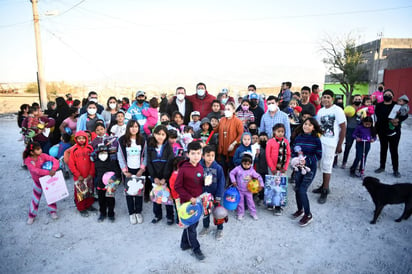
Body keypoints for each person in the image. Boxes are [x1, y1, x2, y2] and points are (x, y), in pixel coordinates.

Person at [174, 141, 206, 261]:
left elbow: (199, 182)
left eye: (198, 153)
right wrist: (189, 197)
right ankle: (196, 249)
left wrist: (205, 182)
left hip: (197, 201)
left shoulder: (200, 167)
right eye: (193, 153)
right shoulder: (183, 169)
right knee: (192, 227)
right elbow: (177, 186)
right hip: (187, 203)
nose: (196, 156)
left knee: (192, 224)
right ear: (188, 154)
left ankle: (184, 244)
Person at [313, 90, 346, 204]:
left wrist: (340, 144)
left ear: (332, 99)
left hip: (331, 143)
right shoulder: (321, 111)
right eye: (324, 97)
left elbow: (343, 127)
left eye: (328, 97)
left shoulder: (338, 110)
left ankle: (325, 190)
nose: (326, 99)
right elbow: (318, 127)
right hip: (321, 142)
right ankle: (323, 186)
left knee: (327, 166)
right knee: (322, 165)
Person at [290, 118, 322, 227]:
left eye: (309, 125)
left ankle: (308, 215)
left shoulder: (316, 139)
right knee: (297, 189)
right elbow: (294, 150)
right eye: (305, 124)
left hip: (309, 170)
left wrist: (306, 160)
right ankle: (300, 210)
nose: (306, 126)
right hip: (299, 169)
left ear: (314, 127)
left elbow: (318, 155)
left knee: (303, 190)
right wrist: (296, 160)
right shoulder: (298, 138)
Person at [117, 120, 146, 224]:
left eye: (136, 126)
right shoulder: (122, 140)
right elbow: (120, 156)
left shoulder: (142, 140)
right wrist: (124, 171)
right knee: (129, 192)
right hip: (128, 170)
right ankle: (131, 213)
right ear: (128, 128)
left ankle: (138, 211)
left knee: (139, 192)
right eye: (132, 126)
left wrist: (142, 169)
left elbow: (145, 155)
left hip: (139, 170)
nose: (134, 128)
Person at [23, 141, 60, 225]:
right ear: (32, 152)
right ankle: (31, 215)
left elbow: (54, 160)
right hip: (38, 182)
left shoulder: (42, 156)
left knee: (51, 196)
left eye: (40, 148)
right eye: (38, 149)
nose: (41, 150)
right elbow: (35, 171)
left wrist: (53, 169)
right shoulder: (28, 160)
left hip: (47, 180)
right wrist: (48, 172)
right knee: (35, 199)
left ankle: (53, 211)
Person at [374, 89, 408, 178]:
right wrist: (375, 131)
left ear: (392, 96)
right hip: (382, 131)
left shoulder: (397, 105)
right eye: (386, 94)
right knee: (383, 149)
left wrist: (398, 120)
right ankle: (382, 167)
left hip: (394, 131)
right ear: (383, 95)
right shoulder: (378, 105)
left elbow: (405, 115)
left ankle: (396, 170)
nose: (387, 95)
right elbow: (378, 118)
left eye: (389, 94)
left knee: (394, 150)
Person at [146, 125, 174, 225]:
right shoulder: (150, 146)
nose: (160, 136)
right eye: (158, 134)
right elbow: (149, 162)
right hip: (155, 177)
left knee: (167, 197)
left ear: (166, 136)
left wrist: (165, 178)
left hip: (165, 177)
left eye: (163, 134)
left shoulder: (168, 147)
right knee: (156, 197)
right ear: (154, 134)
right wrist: (154, 177)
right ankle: (157, 215)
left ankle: (170, 216)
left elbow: (170, 163)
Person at [199, 145, 226, 240]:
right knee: (206, 212)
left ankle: (220, 229)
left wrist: (219, 196)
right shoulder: (199, 166)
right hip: (204, 195)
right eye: (208, 155)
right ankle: (206, 227)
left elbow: (221, 182)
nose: (210, 158)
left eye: (212, 155)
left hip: (216, 194)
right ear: (203, 156)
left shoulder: (218, 168)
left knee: (218, 212)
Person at [68, 131, 96, 216]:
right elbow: (71, 164)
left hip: (89, 175)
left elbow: (93, 162)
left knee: (90, 190)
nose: (81, 140)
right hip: (79, 176)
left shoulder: (90, 148)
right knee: (80, 192)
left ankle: (89, 205)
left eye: (83, 138)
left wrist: (91, 173)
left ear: (86, 139)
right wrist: (77, 174)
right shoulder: (73, 150)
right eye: (79, 138)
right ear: (76, 139)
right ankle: (81, 208)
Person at [265, 123, 291, 215]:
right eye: (278, 131)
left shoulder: (286, 142)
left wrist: (285, 167)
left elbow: (288, 155)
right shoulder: (270, 142)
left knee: (280, 186)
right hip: (272, 168)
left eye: (282, 132)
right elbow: (268, 155)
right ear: (274, 132)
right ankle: (270, 202)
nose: (280, 133)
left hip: (282, 169)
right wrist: (272, 168)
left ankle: (278, 206)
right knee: (272, 185)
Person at [229, 153, 264, 220]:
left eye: (248, 164)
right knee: (240, 202)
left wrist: (261, 185)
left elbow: (258, 176)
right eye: (245, 164)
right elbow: (231, 173)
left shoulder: (252, 171)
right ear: (242, 162)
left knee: (250, 202)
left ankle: (253, 213)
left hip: (249, 190)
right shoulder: (238, 169)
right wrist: (233, 181)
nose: (246, 166)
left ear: (251, 164)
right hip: (239, 189)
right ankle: (240, 213)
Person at [215, 102, 244, 175]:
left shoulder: (238, 121)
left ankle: (231, 185)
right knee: (222, 170)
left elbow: (241, 135)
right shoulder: (222, 120)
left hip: (232, 150)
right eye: (225, 109)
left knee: (232, 170)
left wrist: (233, 144)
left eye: (229, 109)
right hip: (222, 149)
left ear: (233, 110)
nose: (226, 111)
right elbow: (215, 130)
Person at [94, 144, 120, 223]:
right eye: (101, 153)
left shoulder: (112, 162)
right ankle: (102, 213)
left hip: (110, 186)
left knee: (110, 200)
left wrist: (114, 178)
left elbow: (118, 173)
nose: (103, 155)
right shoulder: (96, 163)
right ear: (98, 154)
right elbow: (95, 174)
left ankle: (111, 214)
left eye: (105, 153)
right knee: (101, 200)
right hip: (100, 185)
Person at [341, 94, 363, 168]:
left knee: (359, 148)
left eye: (359, 99)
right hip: (350, 129)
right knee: (348, 146)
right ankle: (344, 162)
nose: (358, 100)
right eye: (356, 99)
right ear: (353, 100)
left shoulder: (363, 109)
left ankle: (357, 163)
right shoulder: (349, 108)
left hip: (360, 131)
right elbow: (344, 119)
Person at [255, 132, 268, 204]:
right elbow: (255, 159)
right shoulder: (257, 147)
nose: (263, 140)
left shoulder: (269, 147)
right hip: (259, 169)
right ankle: (260, 196)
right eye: (261, 139)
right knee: (260, 183)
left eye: (264, 139)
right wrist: (257, 154)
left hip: (267, 168)